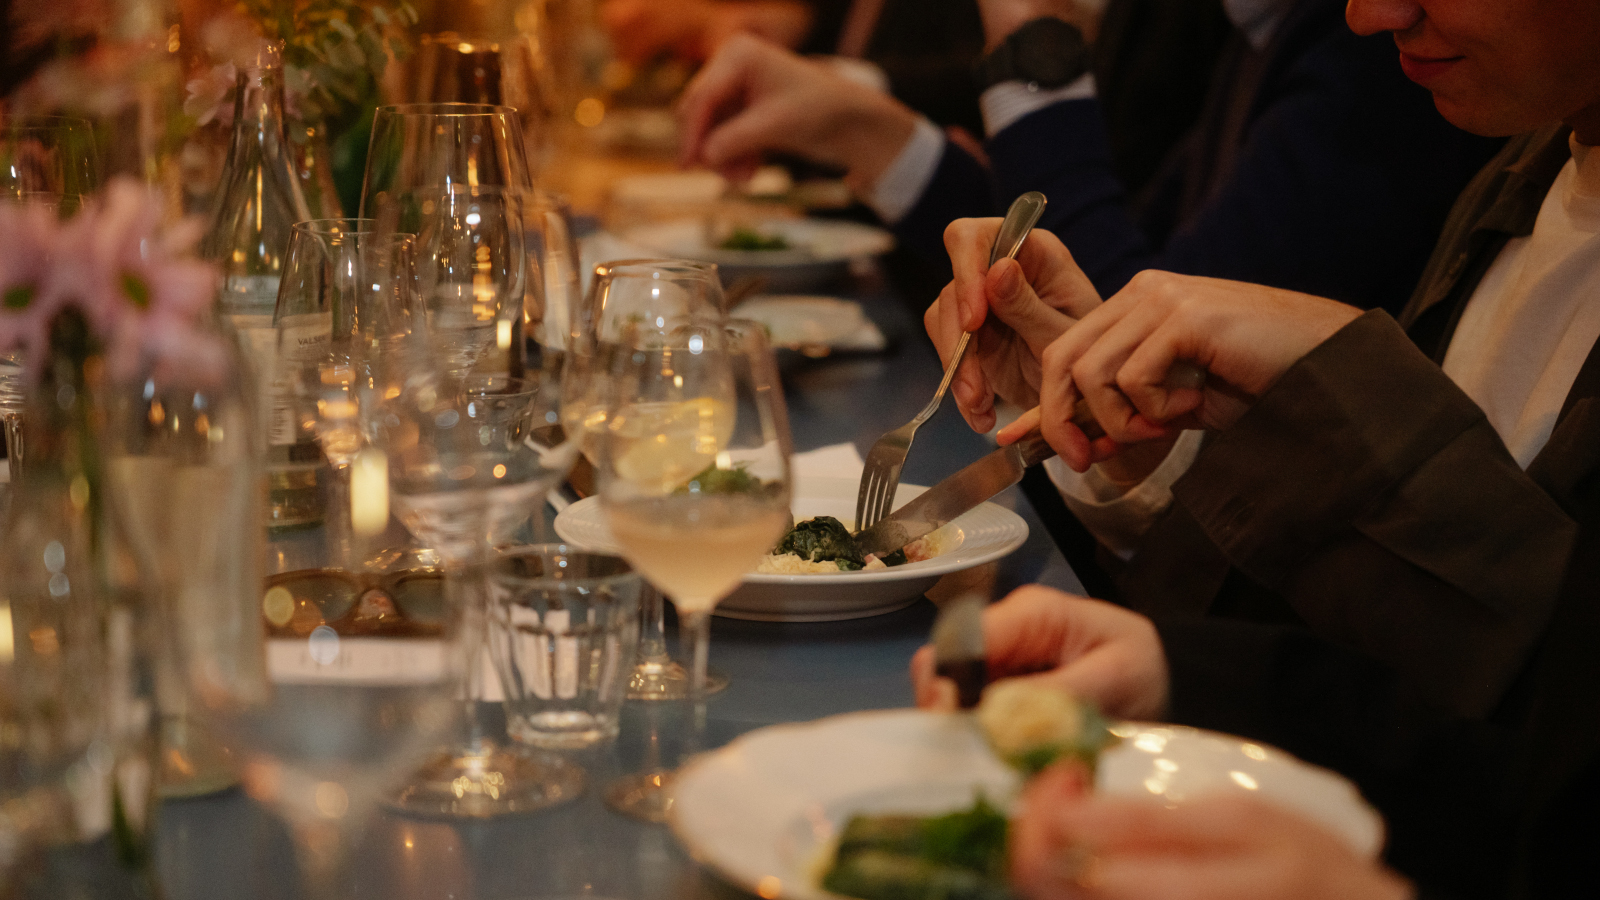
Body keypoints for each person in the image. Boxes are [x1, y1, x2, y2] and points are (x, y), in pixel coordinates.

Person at [678, 0, 1501, 314]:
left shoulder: (1375, 59)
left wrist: (1027, 39)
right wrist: (862, 131)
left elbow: (1115, 334)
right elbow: (1095, 266)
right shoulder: (1256, 32)